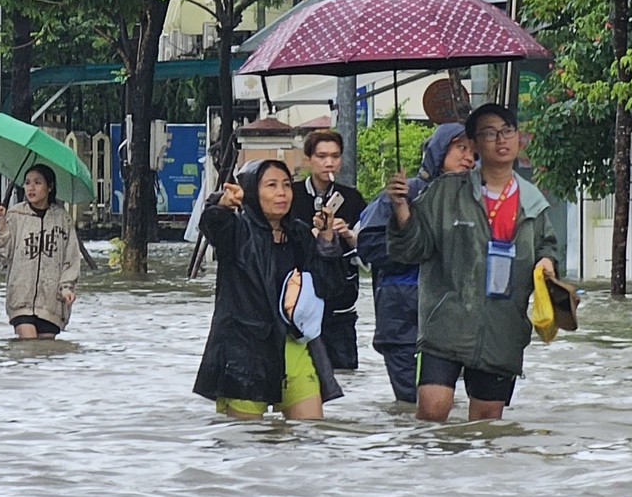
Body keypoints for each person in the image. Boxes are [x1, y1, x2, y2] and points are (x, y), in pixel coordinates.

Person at [386, 103, 559, 422]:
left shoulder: (533, 201)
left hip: (502, 331)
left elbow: (547, 246)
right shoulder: (446, 193)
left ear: (518, 137)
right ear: (476, 144)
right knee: (432, 412)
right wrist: (400, 209)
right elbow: (411, 250)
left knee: (487, 425)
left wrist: (547, 262)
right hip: (445, 326)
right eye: (489, 133)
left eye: (507, 131)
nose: (501, 140)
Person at [193, 158, 356, 419]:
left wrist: (327, 239)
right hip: (244, 352)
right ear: (252, 191)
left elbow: (329, 287)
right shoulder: (236, 231)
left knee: (312, 432)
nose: (282, 193)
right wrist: (221, 203)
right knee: (246, 437)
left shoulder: (299, 234)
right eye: (271, 185)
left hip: (295, 345)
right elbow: (212, 223)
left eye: (286, 185)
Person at [357, 123, 473, 403]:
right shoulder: (401, 195)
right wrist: (418, 250)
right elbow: (369, 246)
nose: (469, 158)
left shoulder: (472, 201)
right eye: (462, 148)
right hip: (403, 320)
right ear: (439, 151)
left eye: (474, 152)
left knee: (447, 406)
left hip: (452, 324)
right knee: (413, 405)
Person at [288, 129, 367, 371]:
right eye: (321, 156)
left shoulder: (352, 198)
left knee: (345, 373)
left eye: (335, 156)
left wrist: (348, 234)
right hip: (299, 300)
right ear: (308, 159)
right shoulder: (291, 196)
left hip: (340, 303)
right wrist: (312, 234)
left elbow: (367, 252)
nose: (329, 163)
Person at [0, 164, 81, 339]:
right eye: (27, 183)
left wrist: (67, 287)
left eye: (38, 183)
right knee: (28, 342)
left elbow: (71, 258)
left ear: (50, 187)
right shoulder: (15, 215)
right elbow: (3, 257)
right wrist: (1, 227)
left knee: (45, 349)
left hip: (52, 301)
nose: (31, 188)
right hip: (20, 298)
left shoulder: (62, 219)